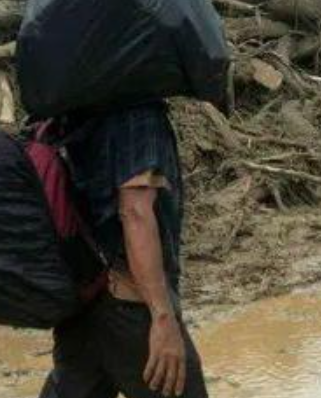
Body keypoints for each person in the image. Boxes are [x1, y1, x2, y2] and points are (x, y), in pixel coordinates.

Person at [40, 101, 208, 398]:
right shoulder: (138, 116)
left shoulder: (72, 114)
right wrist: (162, 318)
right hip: (131, 310)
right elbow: (136, 213)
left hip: (82, 305)